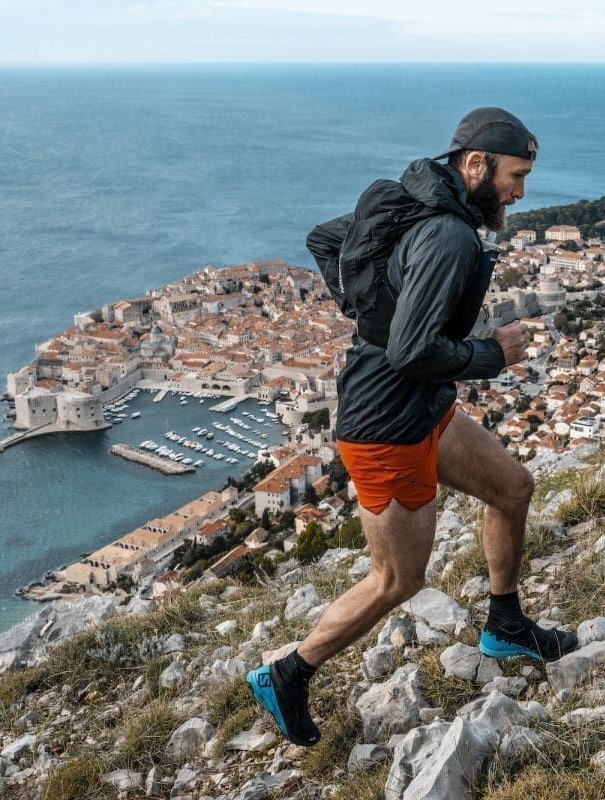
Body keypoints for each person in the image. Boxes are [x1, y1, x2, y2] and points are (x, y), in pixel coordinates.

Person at [246, 107, 578, 747]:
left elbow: (325, 238)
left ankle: (504, 626)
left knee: (512, 487)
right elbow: (409, 351)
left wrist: (374, 310)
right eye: (515, 175)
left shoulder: (407, 201)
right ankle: (287, 673)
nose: (521, 191)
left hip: (425, 407)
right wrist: (492, 354)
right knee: (398, 580)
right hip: (385, 426)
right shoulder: (448, 235)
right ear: (475, 165)